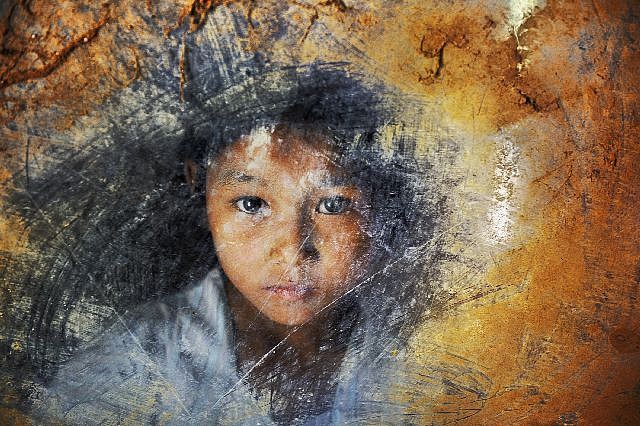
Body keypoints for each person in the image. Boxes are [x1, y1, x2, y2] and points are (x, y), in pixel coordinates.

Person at [31, 66, 436, 424]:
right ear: (200, 183)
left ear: (380, 199)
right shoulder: (130, 368)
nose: (293, 251)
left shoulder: (429, 348)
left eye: (332, 205)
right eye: (251, 203)